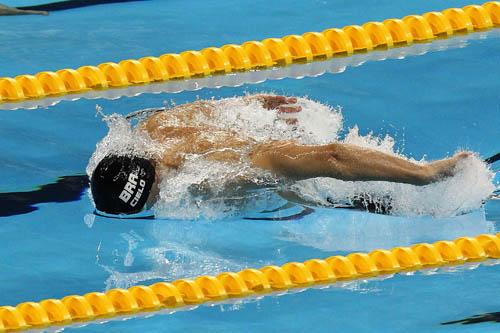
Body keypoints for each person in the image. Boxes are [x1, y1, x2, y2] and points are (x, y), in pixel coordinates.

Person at [90, 94, 470, 215]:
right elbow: (206, 107)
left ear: (154, 187)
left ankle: (423, 178)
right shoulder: (155, 129)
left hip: (295, 168)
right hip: (264, 128)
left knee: (309, 194)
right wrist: (253, 102)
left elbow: (332, 158)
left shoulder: (220, 169)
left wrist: (425, 174)